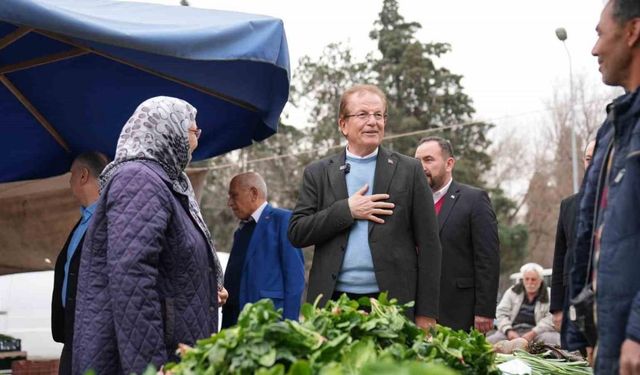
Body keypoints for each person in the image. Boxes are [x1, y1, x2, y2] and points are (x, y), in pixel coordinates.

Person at [72, 96, 228, 375]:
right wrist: (151, 367)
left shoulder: (167, 182)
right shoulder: (138, 179)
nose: (197, 140)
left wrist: (205, 287)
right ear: (168, 130)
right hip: (155, 361)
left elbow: (169, 265)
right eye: (194, 131)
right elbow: (131, 279)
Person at [288, 84, 442, 330]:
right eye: (363, 115)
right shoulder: (318, 173)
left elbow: (430, 245)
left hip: (393, 303)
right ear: (343, 124)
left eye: (378, 115)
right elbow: (297, 232)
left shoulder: (409, 170)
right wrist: (346, 210)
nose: (373, 122)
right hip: (333, 302)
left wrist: (426, 312)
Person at [568, 1, 640, 373]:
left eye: (599, 33)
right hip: (610, 338)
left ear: (632, 31)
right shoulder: (613, 129)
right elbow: (591, 236)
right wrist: (582, 333)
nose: (595, 49)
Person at [414, 136, 499, 334]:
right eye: (417, 161)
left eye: (428, 160)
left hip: (458, 310)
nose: (421, 167)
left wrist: (485, 310)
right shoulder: (410, 203)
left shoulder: (474, 200)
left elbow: (488, 258)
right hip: (416, 310)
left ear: (449, 163)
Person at [51, 151, 109, 375]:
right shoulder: (85, 220)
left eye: (71, 174)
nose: (69, 181)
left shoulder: (109, 219)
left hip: (97, 341)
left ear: (83, 175)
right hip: (74, 336)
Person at [222, 172, 305, 328]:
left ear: (253, 193)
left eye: (234, 196)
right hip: (235, 325)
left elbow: (295, 279)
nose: (230, 203)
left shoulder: (283, 221)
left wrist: (289, 326)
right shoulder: (240, 231)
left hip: (270, 324)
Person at [550, 140, 595, 349]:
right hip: (572, 299)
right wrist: (557, 308)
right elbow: (560, 257)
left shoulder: (622, 200)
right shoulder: (568, 205)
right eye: (588, 159)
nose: (592, 162)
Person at [488, 263, 559, 346]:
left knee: (552, 339)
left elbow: (551, 318)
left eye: (533, 279)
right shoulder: (512, 292)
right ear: (523, 279)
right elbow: (501, 313)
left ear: (540, 280)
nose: (530, 282)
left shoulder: (549, 293)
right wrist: (508, 331)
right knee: (491, 341)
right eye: (527, 279)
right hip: (512, 331)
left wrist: (533, 333)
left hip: (538, 333)